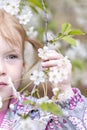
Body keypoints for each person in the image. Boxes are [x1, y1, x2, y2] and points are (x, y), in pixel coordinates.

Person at [0, 9, 87, 130]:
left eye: (12, 57)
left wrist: (64, 93)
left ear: (23, 66)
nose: (1, 69)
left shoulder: (36, 116)